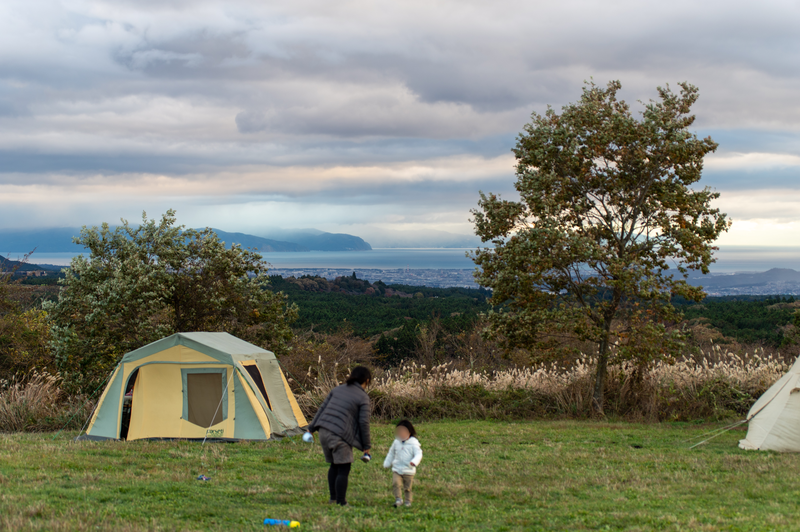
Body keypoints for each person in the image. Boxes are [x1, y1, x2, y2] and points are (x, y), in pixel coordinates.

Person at [306, 366, 372, 506]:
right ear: (366, 381)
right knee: (343, 468)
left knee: (334, 465)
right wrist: (366, 446)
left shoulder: (337, 389)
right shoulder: (363, 397)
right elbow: (364, 422)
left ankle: (333, 498)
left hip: (323, 431)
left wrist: (311, 428)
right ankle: (341, 502)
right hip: (339, 434)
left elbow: (322, 408)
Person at [383, 419, 423, 508]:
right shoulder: (396, 442)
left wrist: (414, 462)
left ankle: (408, 501)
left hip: (408, 470)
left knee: (407, 488)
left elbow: (418, 454)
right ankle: (398, 499)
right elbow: (391, 453)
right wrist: (387, 462)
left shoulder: (414, 444)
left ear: (409, 432)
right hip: (397, 469)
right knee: (395, 483)